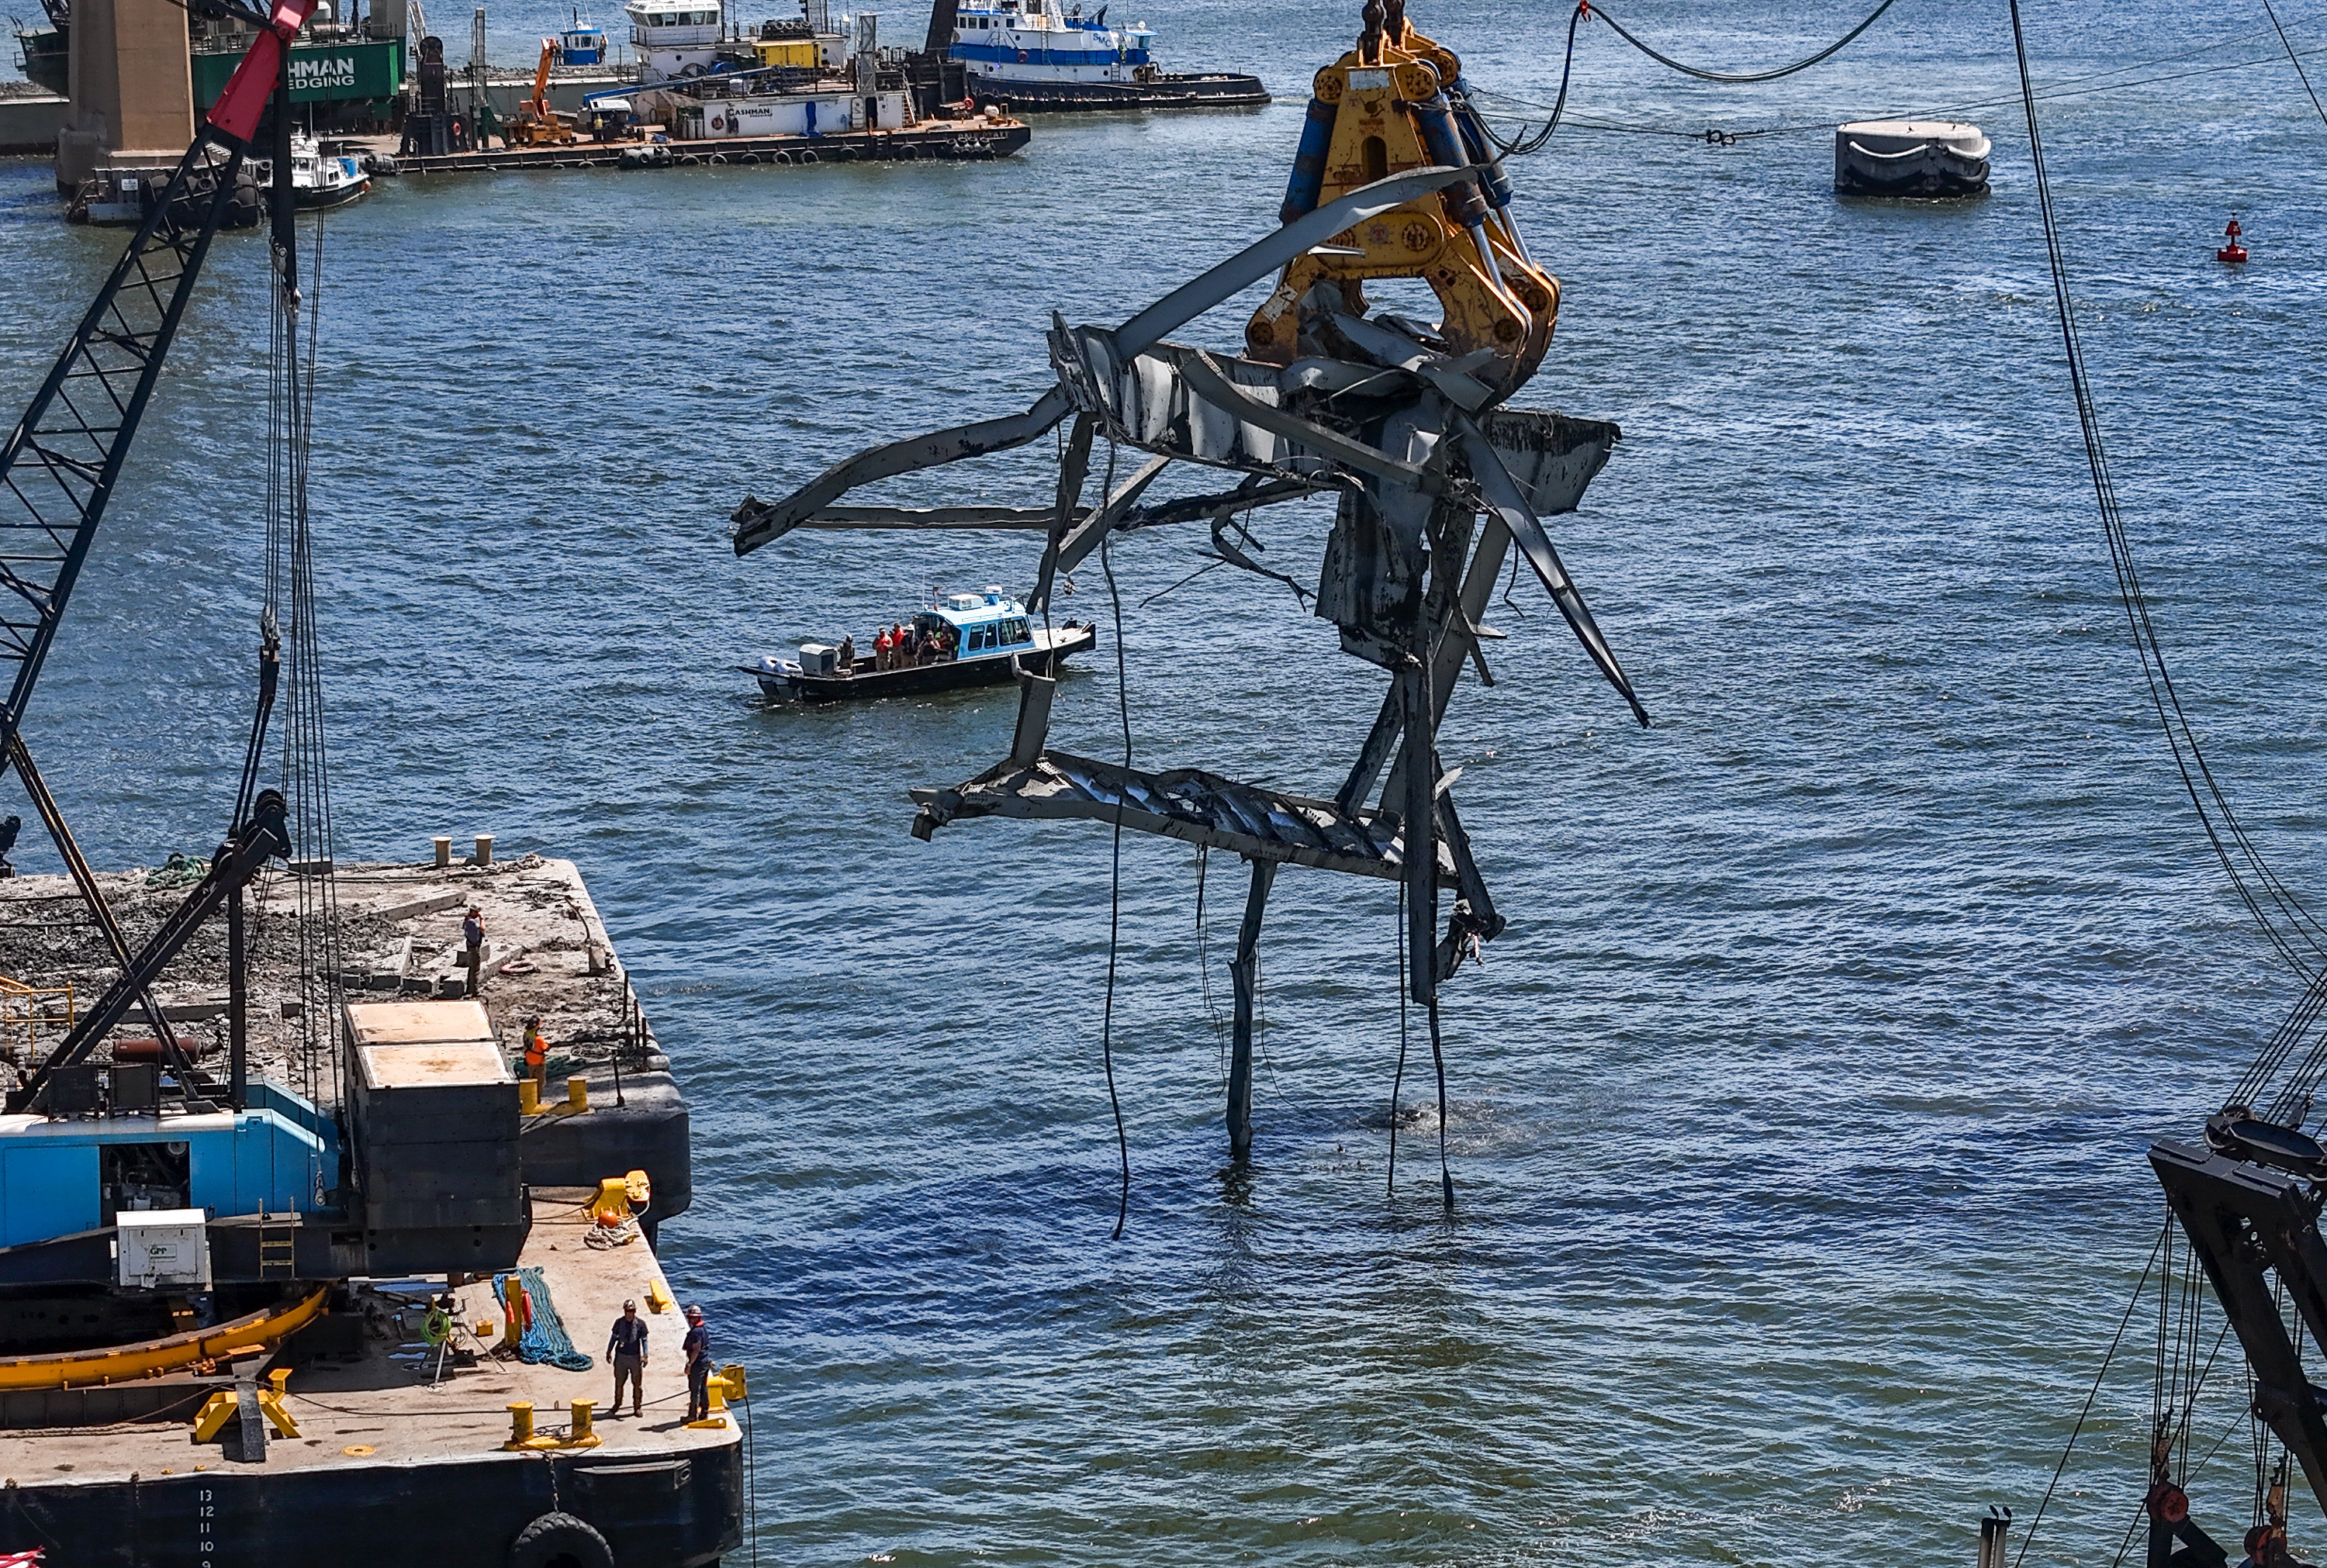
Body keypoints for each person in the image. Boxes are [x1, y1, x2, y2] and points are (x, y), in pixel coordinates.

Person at [607, 1298, 648, 1417]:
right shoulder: (619, 1323)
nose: (629, 1314)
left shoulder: (640, 1324)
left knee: (637, 1384)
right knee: (619, 1383)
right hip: (621, 1357)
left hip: (635, 1357)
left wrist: (645, 1355)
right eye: (627, 1311)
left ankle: (637, 1407)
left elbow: (644, 1340)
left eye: (631, 1311)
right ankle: (617, 1404)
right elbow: (614, 1337)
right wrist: (609, 1351)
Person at [682, 1304, 711, 1421]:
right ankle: (704, 1412)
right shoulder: (703, 1329)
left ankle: (692, 1415)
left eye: (691, 1318)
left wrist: (689, 1365)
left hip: (697, 1364)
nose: (689, 1320)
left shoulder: (695, 1332)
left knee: (695, 1390)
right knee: (703, 1388)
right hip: (705, 1362)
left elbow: (696, 1349)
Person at [462, 905, 484, 997]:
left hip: (472, 946)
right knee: (474, 969)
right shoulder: (471, 922)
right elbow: (483, 928)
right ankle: (473, 990)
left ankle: (471, 989)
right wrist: (482, 919)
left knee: (473, 968)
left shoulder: (468, 920)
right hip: (473, 947)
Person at [522, 1017, 548, 1091]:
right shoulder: (539, 1039)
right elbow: (546, 1048)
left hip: (529, 1062)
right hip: (539, 1063)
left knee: (532, 1082)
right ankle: (537, 1101)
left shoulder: (526, 1035)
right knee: (540, 1084)